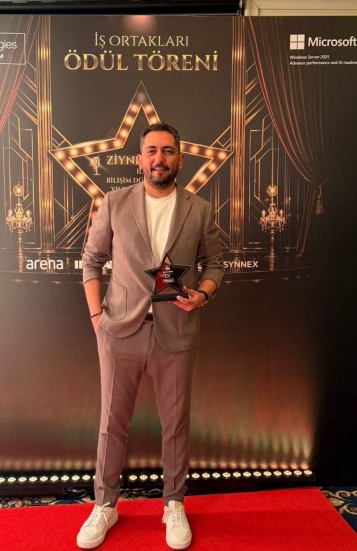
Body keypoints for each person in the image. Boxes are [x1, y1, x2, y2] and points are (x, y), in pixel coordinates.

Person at [77, 122, 224, 550]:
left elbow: (215, 265)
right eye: (152, 151)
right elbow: (91, 261)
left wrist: (202, 295)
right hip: (119, 332)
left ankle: (173, 504)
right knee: (111, 423)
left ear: (181, 159)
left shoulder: (200, 209)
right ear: (140, 159)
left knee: (175, 425)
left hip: (176, 333)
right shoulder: (114, 202)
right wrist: (97, 319)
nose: (159, 158)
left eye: (168, 151)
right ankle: (105, 505)